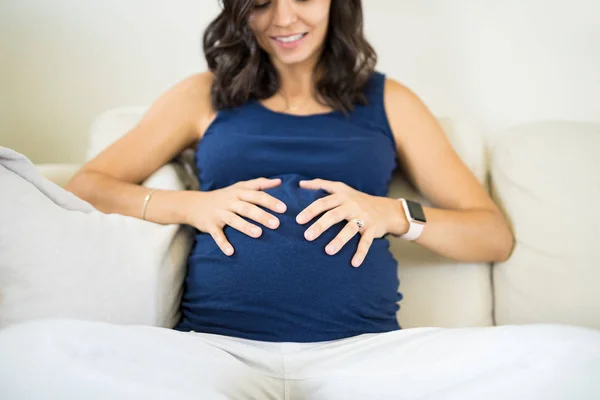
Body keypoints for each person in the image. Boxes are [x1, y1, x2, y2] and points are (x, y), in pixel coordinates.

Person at [10, 0, 574, 399]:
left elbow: (491, 235)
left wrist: (395, 214)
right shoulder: (203, 95)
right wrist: (191, 207)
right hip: (213, 353)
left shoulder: (389, 100)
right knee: (30, 353)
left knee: (567, 359)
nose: (283, 18)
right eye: (261, 2)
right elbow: (88, 185)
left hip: (368, 356)